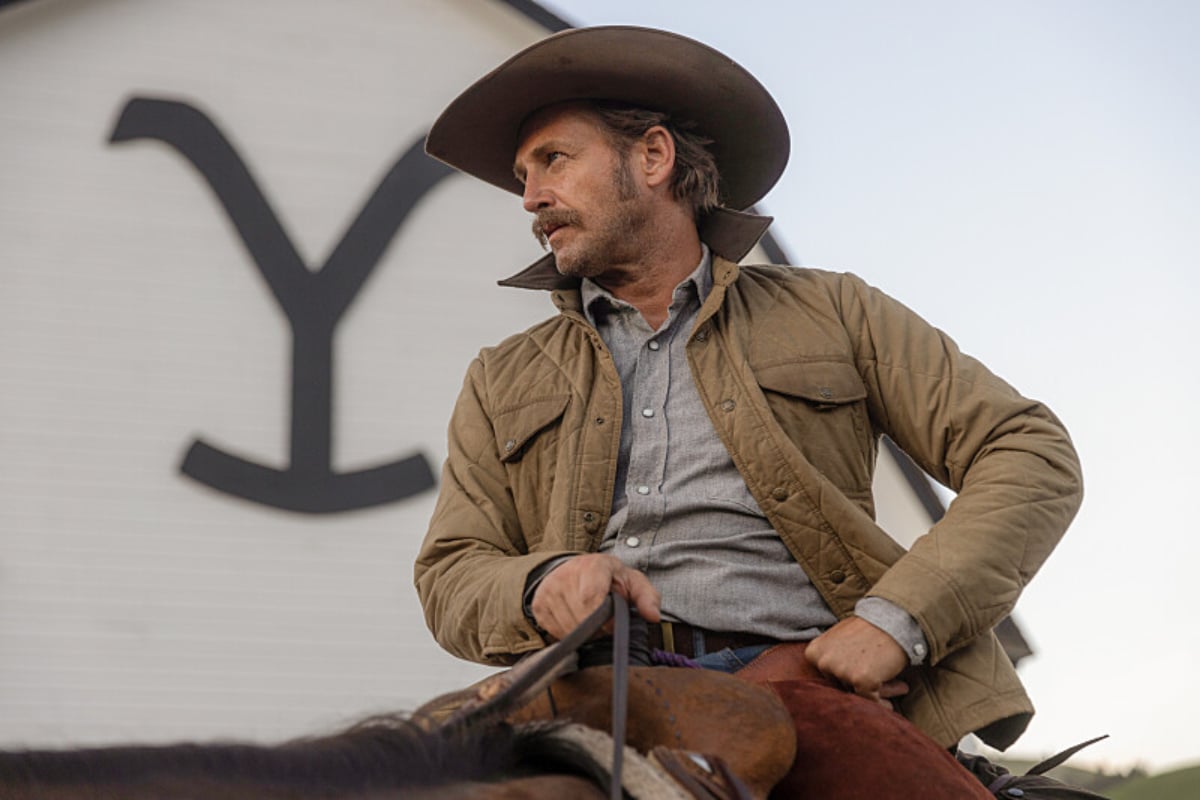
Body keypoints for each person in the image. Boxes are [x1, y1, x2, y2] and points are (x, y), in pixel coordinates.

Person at [414, 24, 1085, 793]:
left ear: (654, 158)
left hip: (800, 684)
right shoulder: (500, 376)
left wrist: (895, 622)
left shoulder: (833, 309)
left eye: (553, 161)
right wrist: (540, 584)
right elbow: (450, 572)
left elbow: (1029, 451)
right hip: (577, 686)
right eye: (522, 174)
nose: (530, 196)